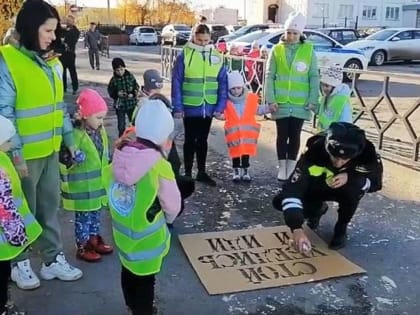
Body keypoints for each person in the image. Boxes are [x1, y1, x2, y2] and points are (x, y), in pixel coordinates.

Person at [0, 0, 83, 290]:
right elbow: (4, 114)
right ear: (30, 27)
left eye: (54, 31)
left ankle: (51, 260)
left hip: (49, 151)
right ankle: (19, 263)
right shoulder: (7, 60)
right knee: (21, 212)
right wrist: (17, 155)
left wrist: (70, 141)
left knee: (49, 208)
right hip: (20, 158)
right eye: (47, 30)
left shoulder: (52, 64)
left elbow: (59, 107)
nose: (52, 36)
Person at [110, 99, 182, 315]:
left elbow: (107, 185)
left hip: (122, 234)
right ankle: (143, 311)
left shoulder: (120, 155)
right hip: (148, 239)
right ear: (164, 137)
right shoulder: (160, 166)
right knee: (145, 281)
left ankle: (131, 305)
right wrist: (169, 220)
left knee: (128, 271)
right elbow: (172, 203)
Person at [272, 122, 383, 251]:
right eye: (334, 157)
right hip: (317, 187)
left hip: (346, 190)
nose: (338, 163)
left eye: (345, 159)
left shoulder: (368, 154)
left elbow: (376, 183)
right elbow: (292, 190)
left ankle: (341, 227)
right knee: (280, 201)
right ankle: (316, 209)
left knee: (356, 187)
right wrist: (296, 228)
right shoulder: (314, 150)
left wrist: (351, 176)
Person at [265, 12, 320, 181]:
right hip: (280, 102)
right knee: (282, 135)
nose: (291, 36)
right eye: (288, 32)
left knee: (295, 135)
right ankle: (282, 166)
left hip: (300, 102)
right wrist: (271, 99)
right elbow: (269, 75)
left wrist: (312, 99)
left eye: (295, 33)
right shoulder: (277, 49)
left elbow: (313, 76)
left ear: (300, 34)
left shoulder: (308, 50)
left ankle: (291, 166)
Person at [59, 89, 113, 262]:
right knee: (83, 219)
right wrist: (73, 157)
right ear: (85, 116)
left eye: (102, 117)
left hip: (97, 187)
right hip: (82, 189)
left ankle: (93, 238)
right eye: (98, 117)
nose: (101, 121)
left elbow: (103, 154)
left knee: (96, 216)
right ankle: (82, 245)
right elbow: (64, 158)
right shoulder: (75, 135)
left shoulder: (99, 131)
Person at [172, 24, 228, 186]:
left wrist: (220, 107)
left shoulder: (217, 56)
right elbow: (177, 81)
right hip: (190, 106)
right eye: (199, 40)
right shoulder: (185, 55)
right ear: (193, 37)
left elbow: (223, 82)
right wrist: (178, 107)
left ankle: (202, 172)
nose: (203, 43)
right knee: (190, 139)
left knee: (203, 140)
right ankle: (188, 172)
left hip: (208, 106)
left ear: (210, 38)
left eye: (205, 40)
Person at [0, 116, 42, 315]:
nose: (10, 145)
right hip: (6, 232)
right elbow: (5, 204)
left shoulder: (2, 158)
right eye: (8, 141)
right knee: (1, 273)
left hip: (6, 231)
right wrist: (15, 231)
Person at [224, 71, 273, 182]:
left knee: (246, 153)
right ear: (229, 89)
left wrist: (269, 108)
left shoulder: (250, 99)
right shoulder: (227, 102)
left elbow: (258, 110)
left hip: (247, 135)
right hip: (234, 135)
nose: (236, 91)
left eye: (238, 88)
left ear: (242, 87)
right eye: (233, 89)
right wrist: (217, 114)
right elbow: (223, 114)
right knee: (235, 153)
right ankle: (236, 171)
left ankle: (245, 170)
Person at [107, 57, 140, 137]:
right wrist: (117, 94)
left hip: (131, 103)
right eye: (117, 70)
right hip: (120, 105)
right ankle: (121, 140)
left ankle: (138, 138)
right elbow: (110, 91)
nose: (120, 72)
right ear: (114, 70)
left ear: (124, 68)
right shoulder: (113, 80)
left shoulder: (130, 76)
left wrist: (133, 93)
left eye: (122, 69)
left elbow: (136, 86)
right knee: (121, 125)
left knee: (135, 122)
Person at [317, 66, 352, 131]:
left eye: (327, 86)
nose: (323, 88)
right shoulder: (326, 97)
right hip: (325, 135)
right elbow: (322, 112)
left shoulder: (342, 101)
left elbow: (346, 123)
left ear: (335, 87)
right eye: (322, 84)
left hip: (336, 137)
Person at [60, 15, 80, 95]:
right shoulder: (62, 30)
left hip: (70, 54)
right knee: (63, 72)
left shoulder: (75, 31)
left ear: (73, 21)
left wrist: (65, 41)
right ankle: (63, 88)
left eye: (70, 21)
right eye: (67, 20)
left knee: (72, 71)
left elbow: (73, 40)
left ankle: (75, 87)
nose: (68, 22)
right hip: (62, 54)